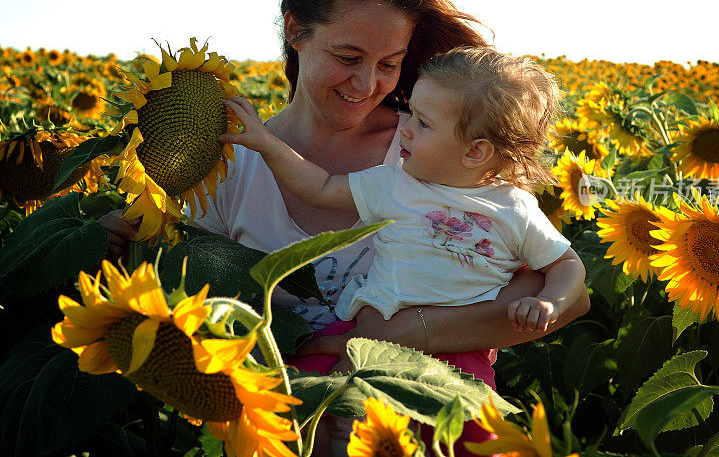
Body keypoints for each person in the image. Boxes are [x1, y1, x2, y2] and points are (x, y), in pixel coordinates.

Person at [100, 0, 591, 456]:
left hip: (421, 416)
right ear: (295, 30)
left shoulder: (434, 150)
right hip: (284, 429)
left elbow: (566, 294)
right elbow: (191, 291)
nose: (367, 83)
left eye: (390, 63)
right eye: (347, 57)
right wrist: (130, 241)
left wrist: (398, 338)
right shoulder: (231, 163)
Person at [220, 46, 586, 455]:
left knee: (468, 443)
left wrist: (550, 302)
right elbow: (320, 187)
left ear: (475, 152)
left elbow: (566, 264)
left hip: (458, 353)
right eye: (411, 114)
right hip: (361, 333)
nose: (406, 128)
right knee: (297, 401)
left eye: (424, 123)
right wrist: (267, 144)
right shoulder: (394, 183)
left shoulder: (513, 208)